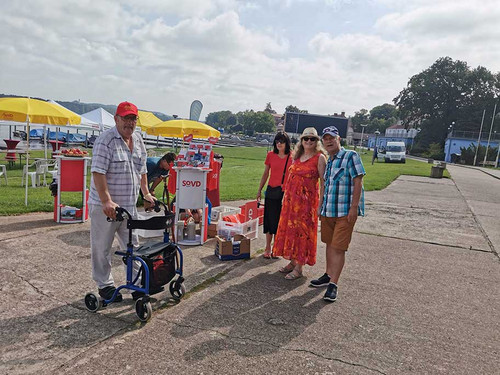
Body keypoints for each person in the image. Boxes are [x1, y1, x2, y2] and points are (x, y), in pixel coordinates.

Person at [88, 101, 155, 302]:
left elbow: (142, 170)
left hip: (129, 207)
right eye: (125, 118)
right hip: (105, 207)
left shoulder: (138, 139)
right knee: (102, 247)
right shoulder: (105, 141)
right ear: (116, 119)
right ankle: (105, 285)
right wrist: (106, 200)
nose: (129, 123)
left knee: (132, 247)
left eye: (133, 118)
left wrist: (146, 193)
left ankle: (136, 285)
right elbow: (98, 172)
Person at [310, 126, 366, 302]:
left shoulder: (351, 156)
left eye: (331, 138)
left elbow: (358, 181)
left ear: (338, 139)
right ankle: (328, 274)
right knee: (329, 243)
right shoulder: (330, 161)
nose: (328, 141)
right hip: (329, 211)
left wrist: (354, 207)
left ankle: (333, 284)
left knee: (339, 247)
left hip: (344, 212)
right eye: (325, 138)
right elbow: (325, 186)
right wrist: (321, 207)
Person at [272, 127, 327, 279]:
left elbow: (323, 183)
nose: (308, 141)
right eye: (306, 138)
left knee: (303, 233)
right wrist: (285, 197)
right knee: (291, 231)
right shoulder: (297, 155)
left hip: (307, 204)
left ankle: (299, 267)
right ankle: (292, 261)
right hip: (291, 202)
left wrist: (321, 203)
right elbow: (290, 178)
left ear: (317, 141)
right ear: (301, 141)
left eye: (312, 139)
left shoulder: (320, 158)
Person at [256, 132, 293, 258]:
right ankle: (267, 246)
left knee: (281, 220)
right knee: (270, 219)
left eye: (281, 141)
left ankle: (277, 246)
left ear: (286, 143)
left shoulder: (293, 156)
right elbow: (266, 173)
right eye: (277, 141)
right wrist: (259, 190)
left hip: (286, 193)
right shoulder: (271, 155)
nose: (279, 143)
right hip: (272, 191)